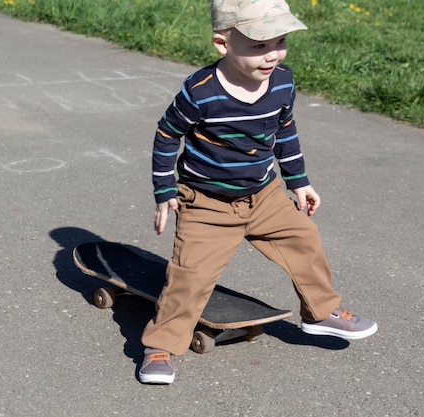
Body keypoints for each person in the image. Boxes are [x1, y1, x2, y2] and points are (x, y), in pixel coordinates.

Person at [138, 0, 377, 385]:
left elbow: (284, 130)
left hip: (264, 195)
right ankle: (161, 345)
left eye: (280, 42)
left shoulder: (283, 81)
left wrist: (298, 180)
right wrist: (164, 189)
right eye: (258, 46)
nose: (273, 56)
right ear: (222, 43)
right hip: (208, 205)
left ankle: (320, 313)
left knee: (305, 240)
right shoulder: (201, 91)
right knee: (190, 277)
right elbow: (168, 134)